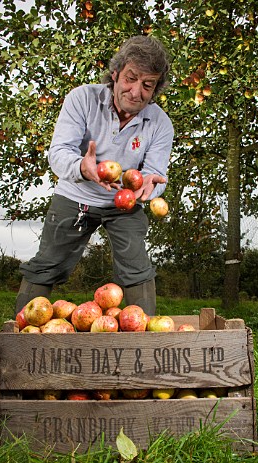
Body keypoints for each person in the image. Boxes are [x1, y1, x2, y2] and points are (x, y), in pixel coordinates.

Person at [15, 35, 174, 316]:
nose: (136, 92)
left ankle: (146, 341)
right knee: (47, 264)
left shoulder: (160, 124)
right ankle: (20, 336)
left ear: (155, 90)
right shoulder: (82, 99)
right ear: (115, 74)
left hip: (124, 203)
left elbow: (155, 174)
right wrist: (81, 168)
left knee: (136, 265)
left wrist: (148, 188)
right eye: (130, 78)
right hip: (75, 194)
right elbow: (59, 153)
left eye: (147, 85)